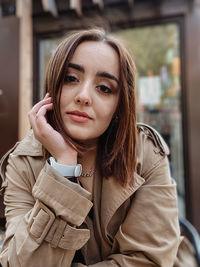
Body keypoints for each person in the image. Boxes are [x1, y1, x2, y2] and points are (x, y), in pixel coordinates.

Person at [0, 28, 181, 267]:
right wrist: (63, 168)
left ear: (119, 105)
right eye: (71, 78)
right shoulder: (23, 161)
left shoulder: (145, 152)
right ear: (53, 87)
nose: (84, 96)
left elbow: (149, 261)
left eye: (104, 88)